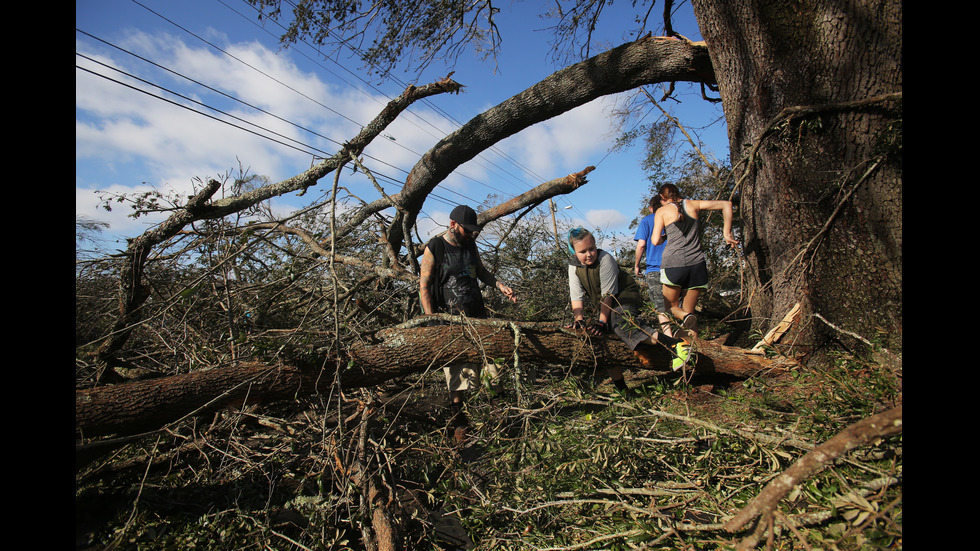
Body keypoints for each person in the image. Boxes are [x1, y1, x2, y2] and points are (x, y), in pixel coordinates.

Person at [418, 205, 517, 441]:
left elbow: (480, 271)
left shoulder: (470, 244)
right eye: (467, 230)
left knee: (491, 363)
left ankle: (500, 418)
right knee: (457, 372)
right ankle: (460, 423)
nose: (471, 234)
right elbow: (424, 287)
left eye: (473, 231)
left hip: (478, 315)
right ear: (453, 225)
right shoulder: (435, 247)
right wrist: (433, 321)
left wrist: (500, 285)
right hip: (450, 320)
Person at [566, 228, 691, 387]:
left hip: (623, 296)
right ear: (574, 252)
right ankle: (622, 389)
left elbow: (608, 295)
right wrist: (579, 321)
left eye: (591, 248)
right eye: (582, 251)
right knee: (599, 340)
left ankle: (677, 343)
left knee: (622, 325)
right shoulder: (573, 266)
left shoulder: (605, 259)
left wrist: (602, 322)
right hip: (604, 303)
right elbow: (576, 296)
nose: (589, 254)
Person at [650, 183, 738, 335]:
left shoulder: (662, 211)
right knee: (690, 315)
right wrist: (726, 233)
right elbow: (727, 204)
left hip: (673, 265)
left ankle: (685, 317)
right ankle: (694, 347)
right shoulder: (694, 204)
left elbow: (655, 240)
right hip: (697, 264)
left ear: (662, 198)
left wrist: (666, 236)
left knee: (671, 308)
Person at [633, 195, 674, 337]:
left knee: (661, 307)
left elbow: (641, 245)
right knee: (676, 305)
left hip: (654, 270)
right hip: (674, 267)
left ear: (651, 208)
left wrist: (636, 265)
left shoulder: (647, 220)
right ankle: (684, 337)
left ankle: (670, 339)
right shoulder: (672, 218)